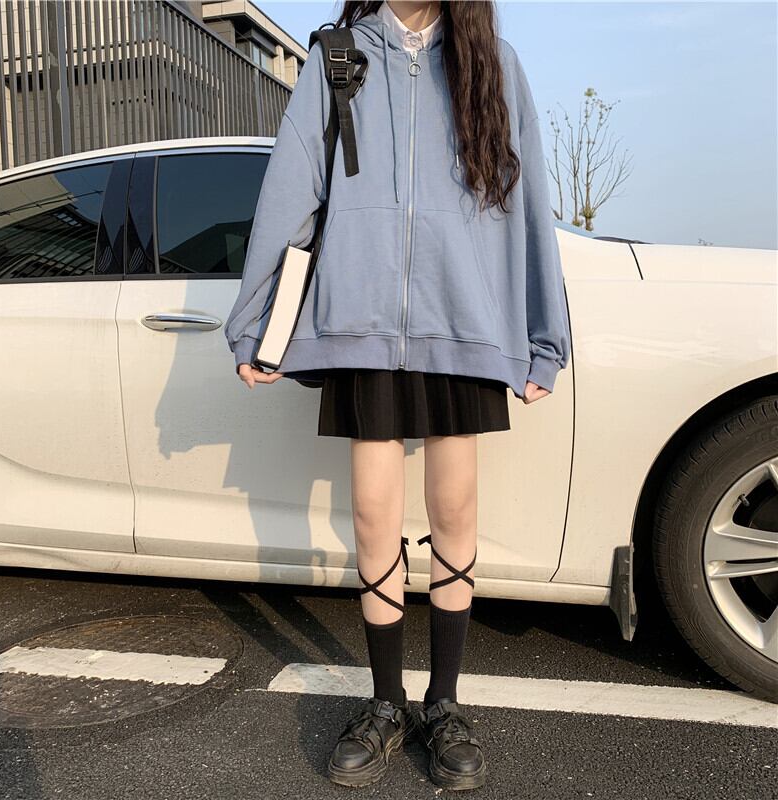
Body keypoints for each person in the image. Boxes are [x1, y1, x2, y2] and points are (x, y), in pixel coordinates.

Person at [224, 0, 571, 791]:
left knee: (456, 514)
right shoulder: (338, 57)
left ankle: (443, 702)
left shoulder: (493, 64)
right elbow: (292, 191)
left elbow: (528, 204)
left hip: (461, 317)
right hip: (362, 322)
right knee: (375, 517)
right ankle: (386, 702)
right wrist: (254, 324)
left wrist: (543, 337)